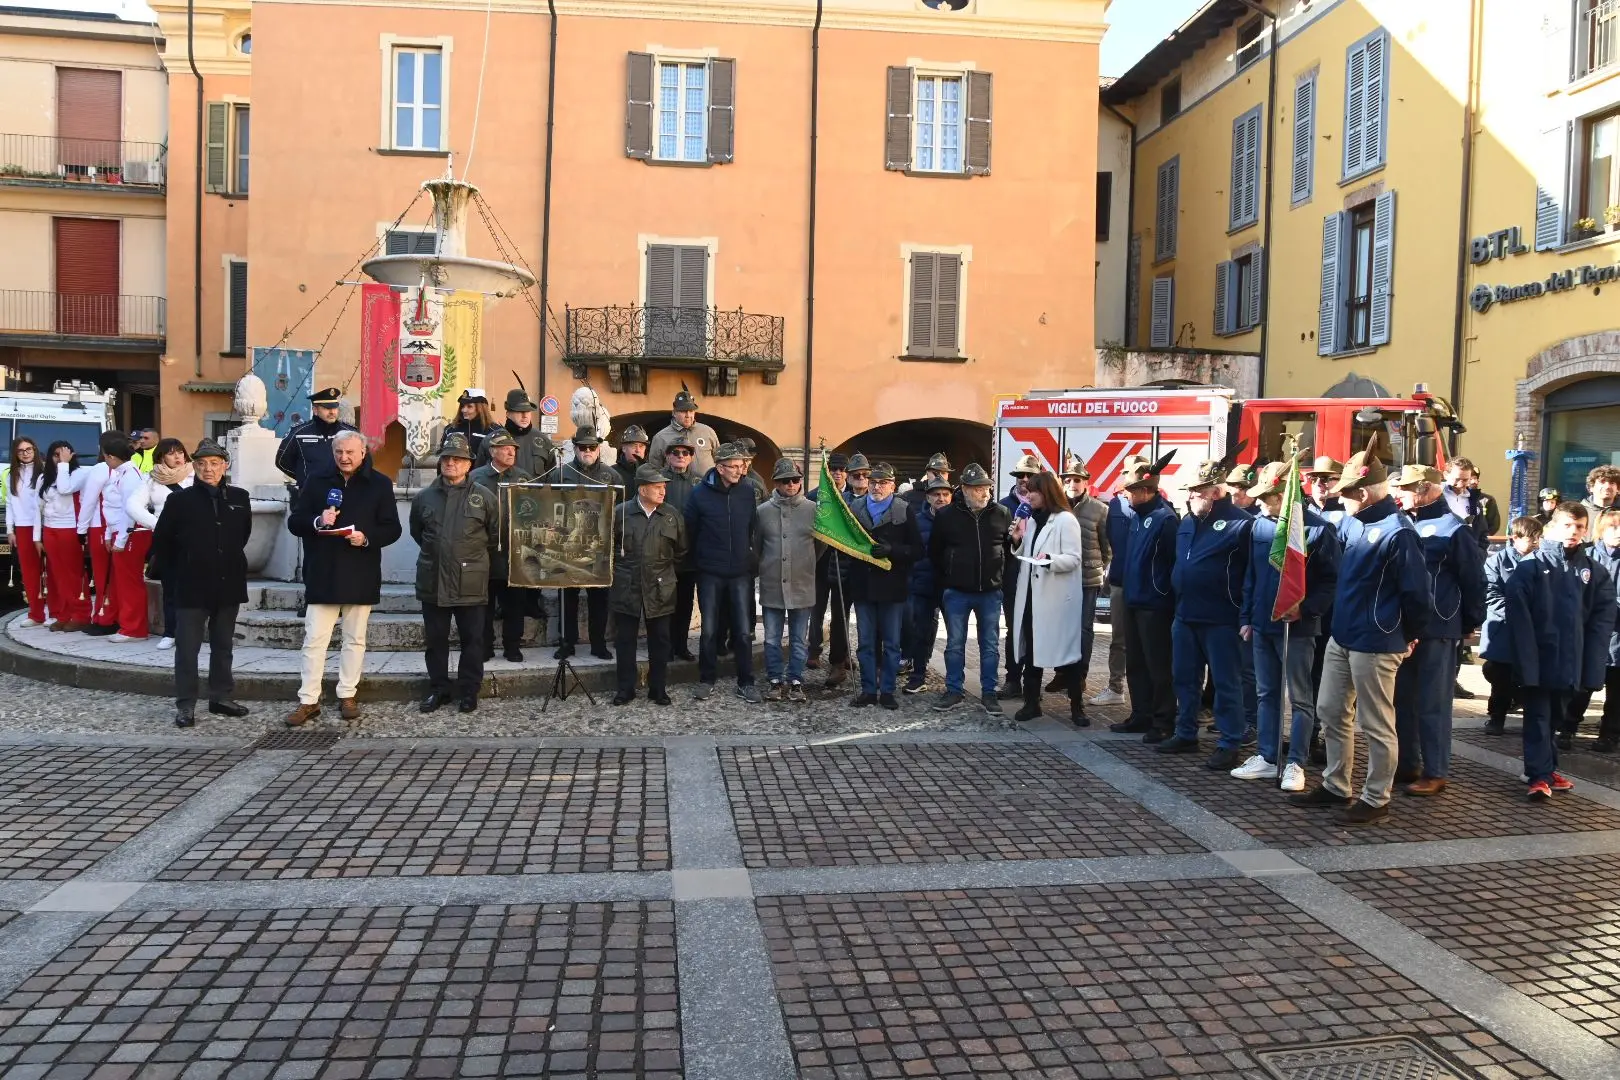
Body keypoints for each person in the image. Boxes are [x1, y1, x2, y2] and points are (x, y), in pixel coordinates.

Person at [1287, 449, 1429, 826]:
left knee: (1377, 722)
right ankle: (1337, 785)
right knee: (1331, 710)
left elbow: (1417, 595)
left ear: (1364, 493)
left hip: (1378, 641)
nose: (1338, 496)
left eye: (1346, 491)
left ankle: (1376, 797)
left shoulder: (1400, 533)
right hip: (1344, 635)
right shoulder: (1351, 524)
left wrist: (1409, 635)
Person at [1484, 502, 1615, 800]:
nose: (1574, 532)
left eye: (1580, 526)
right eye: (1568, 525)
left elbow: (1602, 619)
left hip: (1572, 662)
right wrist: (1526, 661)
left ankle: (1546, 768)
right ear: (1553, 527)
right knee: (1538, 718)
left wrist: (1592, 665)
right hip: (1539, 660)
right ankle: (1538, 774)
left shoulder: (1593, 570)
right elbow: (1519, 617)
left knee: (1556, 718)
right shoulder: (1531, 567)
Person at [284, 430, 403, 727]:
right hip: (323, 571)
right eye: (339, 453)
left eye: (350, 452)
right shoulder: (316, 480)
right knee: (314, 641)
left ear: (363, 452)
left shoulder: (378, 484)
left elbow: (392, 529)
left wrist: (366, 538)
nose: (344, 458)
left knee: (354, 639)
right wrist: (317, 521)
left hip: (360, 570)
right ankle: (308, 700)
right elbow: (295, 521)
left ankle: (347, 694)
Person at [1234, 462, 1341, 791]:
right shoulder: (1258, 527)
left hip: (1299, 627)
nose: (1262, 503)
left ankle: (1296, 761)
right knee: (1266, 693)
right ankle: (1267, 757)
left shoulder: (1319, 530)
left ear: (1287, 495)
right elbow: (1251, 576)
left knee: (1300, 697)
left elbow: (1331, 582)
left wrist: (1306, 609)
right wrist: (1247, 618)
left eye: (1269, 497)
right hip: (1263, 625)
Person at [1391, 464, 1486, 796]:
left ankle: (1436, 770)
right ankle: (1408, 763)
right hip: (1406, 627)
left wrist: (1471, 622)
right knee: (1402, 699)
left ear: (1422, 488)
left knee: (1433, 702)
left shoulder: (1454, 529)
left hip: (1438, 626)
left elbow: (1473, 579)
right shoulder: (1405, 523)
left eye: (1404, 488)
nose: (1398, 494)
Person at [1156, 461, 1254, 770]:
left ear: (1214, 492)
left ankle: (1229, 741)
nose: (1190, 497)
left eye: (1197, 493)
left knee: (1226, 683)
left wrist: (1245, 614)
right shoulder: (1188, 521)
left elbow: (1251, 575)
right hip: (1185, 614)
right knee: (1184, 678)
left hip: (1223, 618)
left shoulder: (1242, 524)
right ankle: (1185, 732)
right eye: (1190, 493)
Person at [149, 439, 251, 727]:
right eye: (203, 463)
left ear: (225, 466)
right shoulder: (179, 501)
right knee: (187, 648)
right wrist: (180, 572)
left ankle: (220, 697)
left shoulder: (240, 497)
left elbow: (242, 536)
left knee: (223, 646)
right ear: (194, 466)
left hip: (228, 582)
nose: (209, 469)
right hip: (191, 585)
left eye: (215, 463)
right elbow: (163, 542)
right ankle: (186, 704)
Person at [411, 433, 498, 713]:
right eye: (447, 458)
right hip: (433, 579)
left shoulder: (484, 497)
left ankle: (469, 691)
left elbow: (495, 536)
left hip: (470, 581)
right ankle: (438, 690)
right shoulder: (424, 497)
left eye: (457, 459)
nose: (451, 463)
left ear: (468, 464)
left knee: (472, 640)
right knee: (435, 640)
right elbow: (418, 533)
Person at [929, 462, 1010, 712]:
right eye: (978, 489)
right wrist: (950, 577)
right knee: (954, 643)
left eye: (986, 488)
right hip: (957, 592)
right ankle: (954, 690)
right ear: (963, 489)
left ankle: (989, 692)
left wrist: (999, 577)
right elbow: (935, 552)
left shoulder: (1002, 513)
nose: (984, 493)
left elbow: (1009, 550)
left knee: (990, 645)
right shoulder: (946, 516)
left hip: (990, 592)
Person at [1008, 470, 1087, 724]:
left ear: (1048, 493)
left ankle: (1077, 707)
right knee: (1032, 652)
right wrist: (1017, 539)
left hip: (1056, 600)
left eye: (1034, 491)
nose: (1028, 495)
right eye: (1027, 491)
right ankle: (1032, 704)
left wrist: (1050, 560)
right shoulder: (1031, 520)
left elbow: (1074, 559)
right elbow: (1025, 551)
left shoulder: (1065, 520)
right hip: (1032, 596)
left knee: (1067, 655)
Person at [1110, 456, 1178, 741]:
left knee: (1158, 665)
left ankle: (1163, 721)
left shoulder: (1166, 519)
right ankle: (1141, 714)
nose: (1127, 493)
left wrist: (1162, 594)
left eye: (1132, 489)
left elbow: (1172, 563)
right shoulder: (1137, 517)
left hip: (1155, 604)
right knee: (1136, 662)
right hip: (1133, 599)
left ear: (1146, 490)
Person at [686, 442, 760, 702]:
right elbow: (691, 531)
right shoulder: (698, 494)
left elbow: (752, 527)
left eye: (742, 466)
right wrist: (702, 561)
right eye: (734, 466)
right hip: (710, 572)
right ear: (719, 467)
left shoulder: (748, 491)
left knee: (742, 631)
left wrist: (749, 557)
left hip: (740, 571)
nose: (740, 471)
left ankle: (746, 681)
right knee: (708, 630)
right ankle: (706, 679)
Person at [609, 463, 689, 706]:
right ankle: (626, 689)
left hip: (660, 586)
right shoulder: (620, 513)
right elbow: (608, 548)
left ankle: (658, 688)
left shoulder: (672, 516)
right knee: (625, 640)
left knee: (661, 640)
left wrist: (663, 572)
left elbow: (681, 550)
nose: (662, 491)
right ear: (642, 489)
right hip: (627, 584)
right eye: (657, 487)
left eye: (663, 487)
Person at [848, 461, 922, 709]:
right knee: (866, 642)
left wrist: (894, 551)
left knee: (891, 643)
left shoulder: (903, 509)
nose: (877, 487)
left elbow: (917, 550)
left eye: (882, 483)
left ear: (892, 485)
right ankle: (869, 689)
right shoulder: (856, 507)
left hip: (892, 586)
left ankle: (887, 690)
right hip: (863, 585)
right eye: (873, 482)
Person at [544, 424, 620, 661]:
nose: (587, 451)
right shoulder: (560, 473)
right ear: (575, 449)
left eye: (592, 447)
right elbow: (549, 504)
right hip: (568, 544)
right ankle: (567, 642)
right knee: (568, 597)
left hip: (600, 547)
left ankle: (598, 643)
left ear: (598, 449)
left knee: (599, 598)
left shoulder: (611, 475)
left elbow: (620, 510)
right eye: (583, 447)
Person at [755, 457, 819, 700]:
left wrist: (806, 563)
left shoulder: (812, 510)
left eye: (795, 480)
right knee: (771, 638)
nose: (791, 484)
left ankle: (795, 680)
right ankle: (774, 680)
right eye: (785, 481)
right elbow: (757, 545)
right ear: (777, 483)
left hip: (802, 582)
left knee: (798, 638)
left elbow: (820, 546)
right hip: (772, 583)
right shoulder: (762, 512)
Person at [1051, 454, 1110, 713]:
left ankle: (1080, 676)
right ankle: (1062, 673)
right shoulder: (1057, 507)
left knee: (1084, 630)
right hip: (1062, 578)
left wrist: (1097, 568)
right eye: (1069, 480)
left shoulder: (1099, 509)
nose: (1072, 483)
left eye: (1077, 480)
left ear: (1086, 483)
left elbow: (1107, 547)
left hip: (1087, 579)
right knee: (1061, 627)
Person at [469, 428, 534, 662]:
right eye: (505, 448)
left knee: (515, 604)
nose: (511, 451)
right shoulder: (476, 477)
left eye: (513, 448)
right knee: (484, 604)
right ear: (492, 451)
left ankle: (512, 646)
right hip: (484, 552)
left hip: (515, 552)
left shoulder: (524, 477)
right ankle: (485, 646)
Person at [1090, 455, 1148, 709]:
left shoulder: (1158, 507)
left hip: (1146, 586)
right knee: (1119, 639)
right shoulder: (1114, 506)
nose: (1127, 478)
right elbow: (1107, 541)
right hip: (1121, 582)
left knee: (1146, 642)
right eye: (1125, 472)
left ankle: (1146, 694)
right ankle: (1116, 687)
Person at [128, 438, 193, 649]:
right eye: (171, 453)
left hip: (195, 538)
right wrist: (158, 525)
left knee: (195, 585)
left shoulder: (195, 475)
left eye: (180, 452)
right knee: (171, 587)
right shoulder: (152, 480)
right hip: (168, 541)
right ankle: (171, 632)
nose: (177, 457)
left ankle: (192, 630)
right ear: (161, 457)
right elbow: (132, 505)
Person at [1481, 516, 1542, 734]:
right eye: (1531, 539)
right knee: (1500, 677)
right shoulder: (1496, 561)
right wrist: (1518, 614)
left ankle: (1528, 714)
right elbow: (1490, 593)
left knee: (1529, 676)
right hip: (1503, 629)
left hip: (1532, 630)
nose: (1536, 543)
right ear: (1515, 538)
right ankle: (1496, 717)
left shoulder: (1541, 562)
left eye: (1538, 539)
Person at [1572, 508, 1620, 751]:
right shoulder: (1587, 556)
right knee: (1582, 686)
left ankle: (1609, 734)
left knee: (1616, 693)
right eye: (1613, 527)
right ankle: (1567, 728)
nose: (1618, 532)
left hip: (1618, 637)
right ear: (1601, 530)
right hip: (1589, 634)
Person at [997, 454, 1042, 700]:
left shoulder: (1044, 506)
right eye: (1020, 475)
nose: (1024, 480)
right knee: (1014, 630)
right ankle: (1012, 679)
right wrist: (1011, 538)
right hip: (1013, 578)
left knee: (1035, 631)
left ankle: (1033, 685)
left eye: (1030, 475)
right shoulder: (1004, 506)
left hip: (1040, 579)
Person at [101, 431, 152, 642]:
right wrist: (108, 534)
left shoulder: (130, 475)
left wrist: (121, 540)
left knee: (130, 581)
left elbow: (130, 511)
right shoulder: (121, 473)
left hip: (131, 533)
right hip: (121, 532)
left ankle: (135, 629)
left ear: (111, 457)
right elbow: (112, 507)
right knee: (123, 582)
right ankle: (128, 624)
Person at [902, 476, 951, 694]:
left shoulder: (957, 519)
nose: (941, 498)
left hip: (951, 586)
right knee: (920, 632)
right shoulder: (915, 519)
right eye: (936, 494)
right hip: (922, 584)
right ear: (928, 497)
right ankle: (918, 675)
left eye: (945, 494)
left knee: (955, 636)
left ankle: (954, 681)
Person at [809, 452, 852, 679]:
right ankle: (814, 649)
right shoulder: (814, 496)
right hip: (819, 560)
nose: (837, 473)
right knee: (816, 609)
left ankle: (841, 652)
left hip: (843, 562)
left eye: (840, 469)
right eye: (833, 469)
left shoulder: (852, 498)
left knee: (841, 611)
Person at [39, 442, 89, 633]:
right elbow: (40, 505)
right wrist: (38, 536)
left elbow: (64, 489)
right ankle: (64, 614)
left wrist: (64, 465)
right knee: (57, 574)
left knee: (73, 574)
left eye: (63, 454)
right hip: (50, 529)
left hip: (69, 528)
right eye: (55, 455)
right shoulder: (45, 477)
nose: (59, 458)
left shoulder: (78, 473)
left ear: (71, 455)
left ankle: (81, 615)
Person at [661, 431, 701, 661]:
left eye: (685, 452)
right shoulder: (658, 479)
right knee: (666, 602)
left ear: (691, 457)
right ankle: (665, 647)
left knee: (685, 602)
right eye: (675, 452)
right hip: (664, 553)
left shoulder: (700, 481)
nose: (680, 456)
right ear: (667, 456)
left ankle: (681, 645)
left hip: (690, 552)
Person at [275, 387, 359, 494]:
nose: (332, 412)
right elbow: (282, 461)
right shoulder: (299, 433)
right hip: (309, 496)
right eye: (327, 408)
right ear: (315, 410)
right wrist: (305, 478)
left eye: (334, 407)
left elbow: (363, 461)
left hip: (343, 494)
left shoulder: (350, 433)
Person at [73, 437, 115, 635]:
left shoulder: (99, 469)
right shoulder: (125, 468)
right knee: (111, 576)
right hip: (114, 526)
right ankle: (106, 614)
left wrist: (81, 530)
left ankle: (104, 617)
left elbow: (88, 501)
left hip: (101, 526)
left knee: (102, 575)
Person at [4, 437, 44, 627]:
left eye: (29, 449)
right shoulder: (11, 474)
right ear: (15, 454)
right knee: (29, 572)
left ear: (35, 450)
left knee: (48, 571)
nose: (26, 453)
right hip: (22, 527)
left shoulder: (43, 471)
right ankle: (36, 614)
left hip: (43, 527)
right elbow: (11, 503)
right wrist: (10, 530)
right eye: (21, 451)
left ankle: (56, 612)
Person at [648, 388, 721, 478]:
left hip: (707, 487)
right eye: (683, 411)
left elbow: (719, 460)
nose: (688, 415)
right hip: (675, 488)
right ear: (674, 413)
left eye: (691, 411)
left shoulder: (708, 432)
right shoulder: (660, 437)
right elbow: (654, 469)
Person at [1442, 458, 1498, 552]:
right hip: (1440, 556)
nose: (1460, 484)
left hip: (1466, 557)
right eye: (1457, 479)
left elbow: (1482, 532)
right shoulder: (1434, 495)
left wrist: (1478, 555)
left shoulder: (1473, 499)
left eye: (1465, 480)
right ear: (1445, 475)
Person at [500, 387, 558, 477]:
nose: (525, 416)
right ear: (508, 414)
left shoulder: (543, 440)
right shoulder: (495, 440)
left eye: (528, 411)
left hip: (537, 491)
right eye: (520, 411)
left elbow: (552, 476)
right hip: (507, 490)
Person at [444, 388, 494, 462]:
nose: (463, 410)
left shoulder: (493, 431)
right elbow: (443, 457)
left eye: (469, 406)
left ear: (481, 408)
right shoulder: (450, 429)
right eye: (462, 406)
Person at [613, 424, 649, 489]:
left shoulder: (652, 473)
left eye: (641, 446)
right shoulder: (613, 472)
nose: (638, 450)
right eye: (634, 446)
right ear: (624, 448)